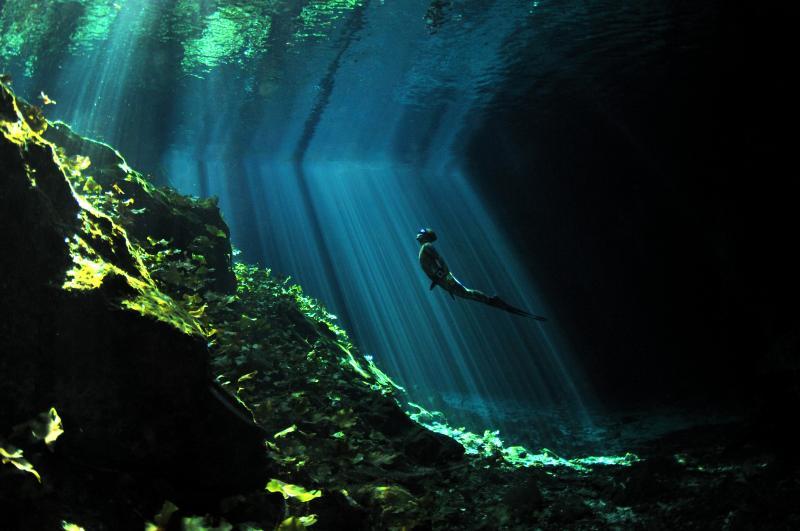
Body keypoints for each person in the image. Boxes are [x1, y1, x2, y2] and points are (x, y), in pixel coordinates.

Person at [416, 228, 545, 319]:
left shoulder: (427, 246)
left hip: (444, 278)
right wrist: (439, 280)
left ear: (427, 236)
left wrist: (444, 276)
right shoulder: (424, 247)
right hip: (442, 279)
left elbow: (440, 261)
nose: (419, 233)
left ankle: (491, 300)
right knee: (465, 293)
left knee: (466, 292)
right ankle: (490, 301)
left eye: (422, 232)